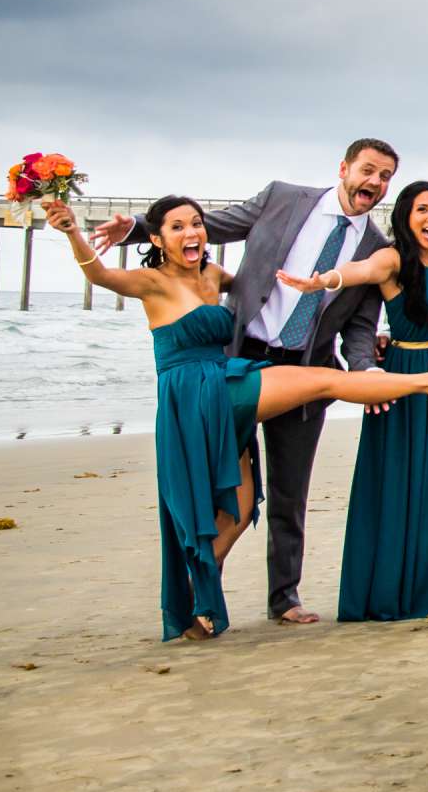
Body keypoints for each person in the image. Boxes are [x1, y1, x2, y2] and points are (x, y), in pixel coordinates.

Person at [45, 197, 428, 640]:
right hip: (197, 392)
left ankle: (194, 601)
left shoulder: (214, 276)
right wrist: (73, 231)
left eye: (196, 223)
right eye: (177, 227)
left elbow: (262, 291)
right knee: (324, 381)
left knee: (240, 506)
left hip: (224, 377)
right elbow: (99, 274)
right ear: (157, 239)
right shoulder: (152, 281)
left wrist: (324, 295)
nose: (191, 233)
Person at [87, 140, 399, 626]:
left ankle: (284, 598)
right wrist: (136, 230)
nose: (374, 184)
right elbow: (203, 225)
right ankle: (201, 596)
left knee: (291, 489)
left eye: (385, 177)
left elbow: (359, 325)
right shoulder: (283, 198)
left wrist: (367, 370)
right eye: (368, 171)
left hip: (302, 367)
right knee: (224, 490)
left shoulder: (378, 250)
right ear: (344, 168)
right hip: (236, 362)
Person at [273, 111, 428, 622]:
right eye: (421, 210)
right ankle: (389, 592)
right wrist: (322, 282)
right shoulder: (391, 259)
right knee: (397, 488)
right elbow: (356, 270)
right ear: (405, 216)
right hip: (402, 385)